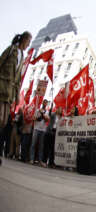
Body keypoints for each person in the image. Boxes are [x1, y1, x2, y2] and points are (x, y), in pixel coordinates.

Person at [0, 31, 32, 166]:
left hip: (9, 94)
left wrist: (17, 95)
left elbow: (18, 79)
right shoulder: (12, 50)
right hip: (1, 87)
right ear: (23, 40)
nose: (28, 45)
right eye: (28, 42)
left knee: (2, 122)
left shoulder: (22, 56)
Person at [29, 99, 49, 167]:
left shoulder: (47, 111)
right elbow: (33, 118)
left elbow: (47, 119)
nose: (45, 104)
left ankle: (40, 160)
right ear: (42, 103)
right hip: (36, 129)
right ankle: (31, 159)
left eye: (46, 103)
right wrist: (38, 116)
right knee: (33, 144)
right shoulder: (37, 110)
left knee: (41, 146)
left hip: (43, 130)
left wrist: (42, 113)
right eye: (44, 102)